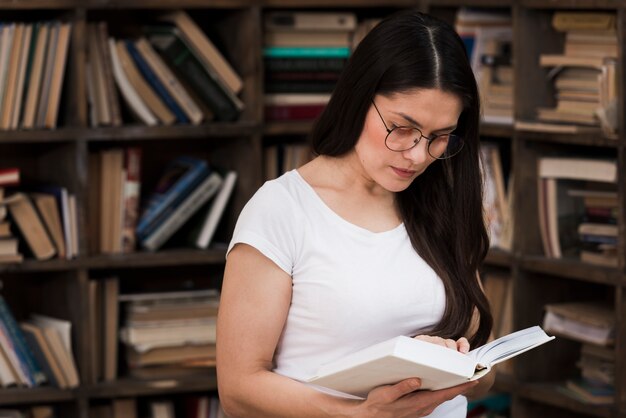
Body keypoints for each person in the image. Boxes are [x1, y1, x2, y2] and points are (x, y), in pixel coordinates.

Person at [217, 9, 494, 418]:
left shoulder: (442, 205)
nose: (418, 156)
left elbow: (487, 375)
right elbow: (239, 389)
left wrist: (454, 361)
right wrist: (361, 414)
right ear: (359, 98)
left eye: (439, 137)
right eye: (402, 127)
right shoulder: (282, 209)